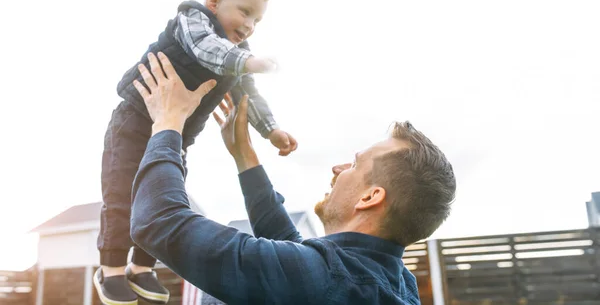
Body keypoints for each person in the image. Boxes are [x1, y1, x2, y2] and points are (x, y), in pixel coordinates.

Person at [128, 52, 457, 305]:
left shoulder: (325, 279)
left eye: (355, 164)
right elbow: (294, 252)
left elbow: (158, 221)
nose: (338, 169)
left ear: (370, 197)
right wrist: (246, 157)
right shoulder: (394, 281)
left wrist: (167, 123)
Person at [94, 0, 297, 305]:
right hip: (134, 122)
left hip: (174, 138)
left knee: (161, 197)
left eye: (257, 20)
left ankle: (141, 266)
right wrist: (248, 62)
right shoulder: (194, 21)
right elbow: (206, 48)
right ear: (213, 1)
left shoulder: (239, 54)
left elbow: (248, 94)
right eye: (245, 12)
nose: (249, 25)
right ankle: (111, 268)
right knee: (121, 195)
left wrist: (271, 130)